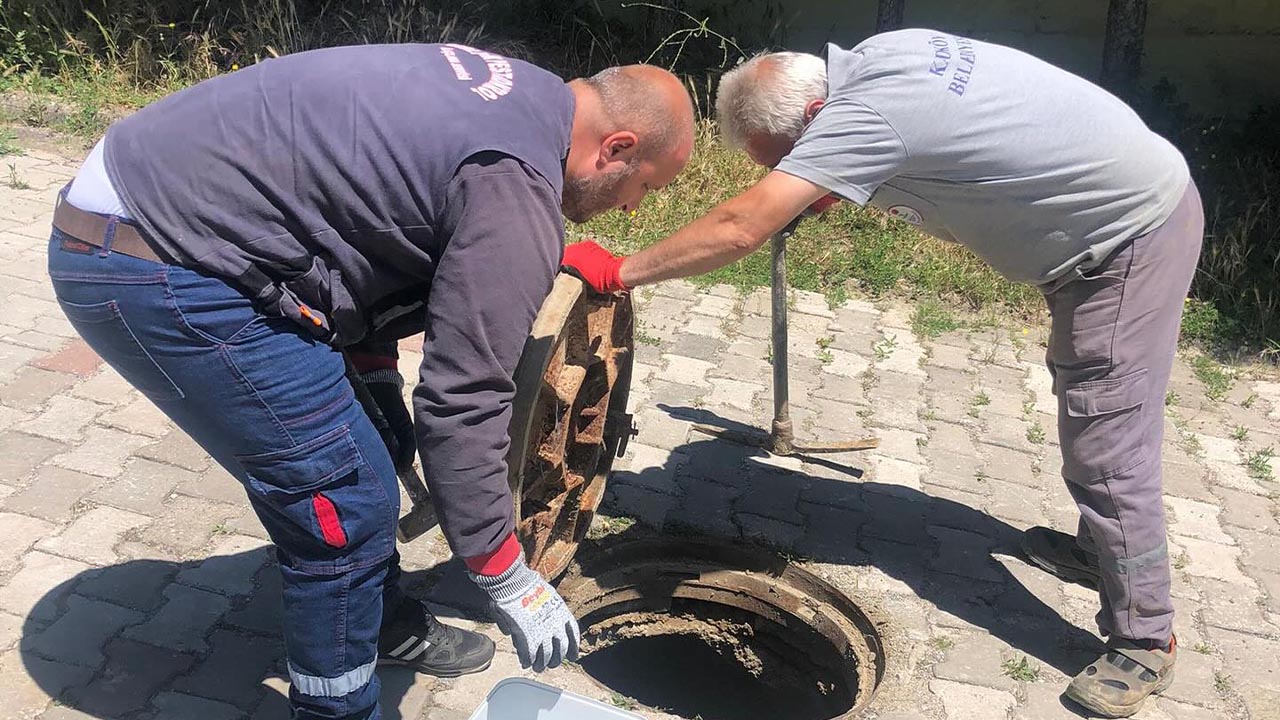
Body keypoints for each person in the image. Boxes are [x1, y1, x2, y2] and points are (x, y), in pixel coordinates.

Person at [561, 29, 1198, 719]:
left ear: (812, 120)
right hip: (1107, 209)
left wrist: (621, 270)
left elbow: (743, 226)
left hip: (1123, 239)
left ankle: (1144, 635)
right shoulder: (875, 60)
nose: (802, 176)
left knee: (1106, 445)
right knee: (1097, 401)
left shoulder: (864, 117)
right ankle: (1099, 551)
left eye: (790, 162)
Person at [47, 43, 694, 720]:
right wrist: (501, 568)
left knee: (374, 444)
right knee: (344, 501)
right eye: (645, 187)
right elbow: (464, 399)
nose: (629, 210)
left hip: (166, 210)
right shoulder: (514, 186)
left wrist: (376, 371)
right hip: (159, 260)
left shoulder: (528, 96)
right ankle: (337, 708)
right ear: (615, 148)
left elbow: (374, 227)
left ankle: (377, 621)